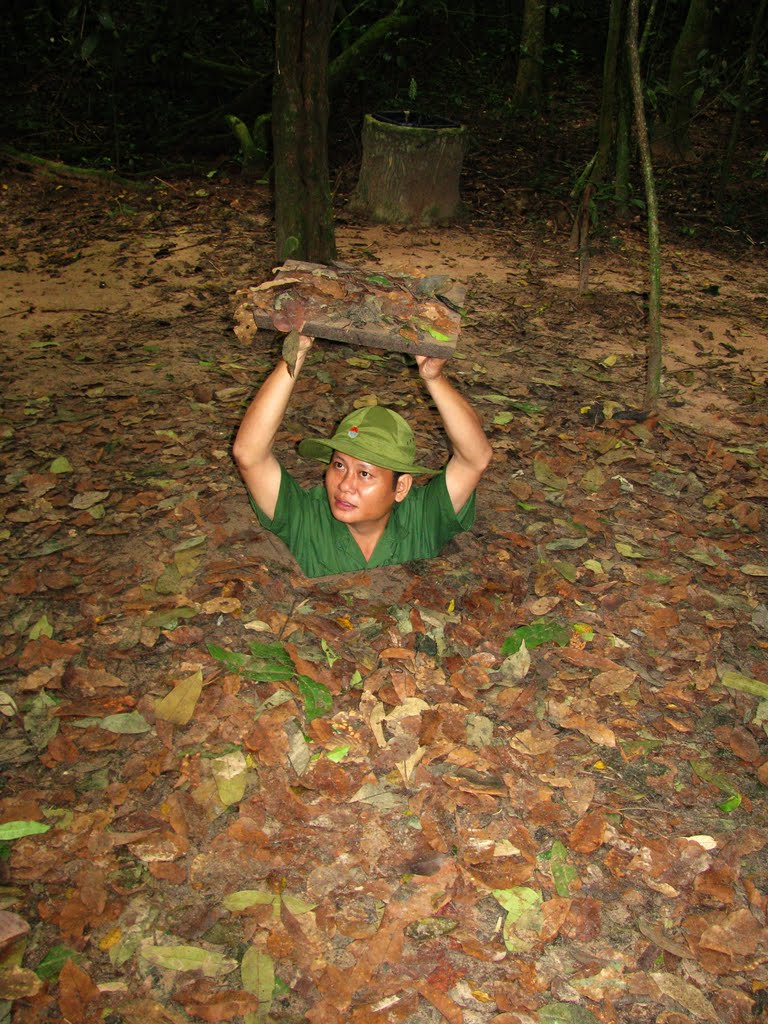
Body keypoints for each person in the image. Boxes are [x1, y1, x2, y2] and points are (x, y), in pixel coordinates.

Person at [233, 334, 492, 578]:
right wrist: (296, 353)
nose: (345, 485)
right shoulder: (306, 516)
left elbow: (475, 459)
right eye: (338, 465)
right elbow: (250, 455)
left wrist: (434, 378)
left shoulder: (424, 517)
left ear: (400, 487)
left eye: (365, 473)